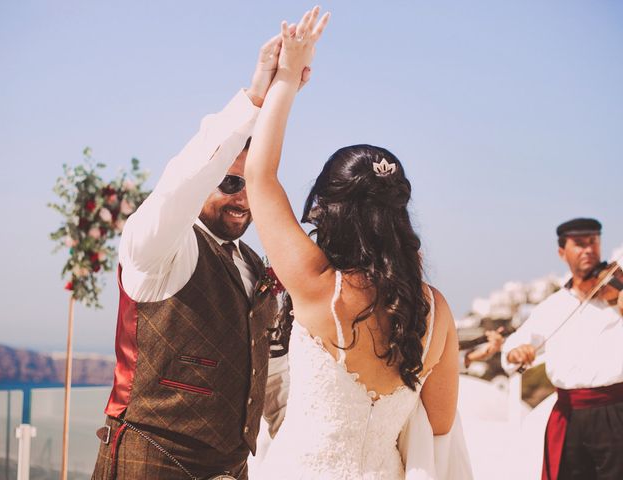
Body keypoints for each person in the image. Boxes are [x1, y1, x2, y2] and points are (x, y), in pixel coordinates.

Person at [244, 7, 472, 478]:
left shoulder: (318, 289)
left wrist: (285, 78)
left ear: (328, 210)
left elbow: (260, 177)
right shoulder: (437, 312)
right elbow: (439, 425)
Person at [91, 33, 301, 480]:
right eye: (228, 182)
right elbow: (180, 183)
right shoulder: (159, 246)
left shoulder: (255, 268)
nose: (242, 199)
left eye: (251, 186)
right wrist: (258, 98)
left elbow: (273, 377)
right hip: (147, 465)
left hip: (233, 469)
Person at [502, 218, 623, 480]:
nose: (588, 249)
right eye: (579, 244)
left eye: (593, 242)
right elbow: (513, 347)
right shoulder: (551, 306)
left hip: (617, 410)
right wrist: (516, 352)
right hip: (570, 416)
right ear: (561, 252)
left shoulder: (617, 294)